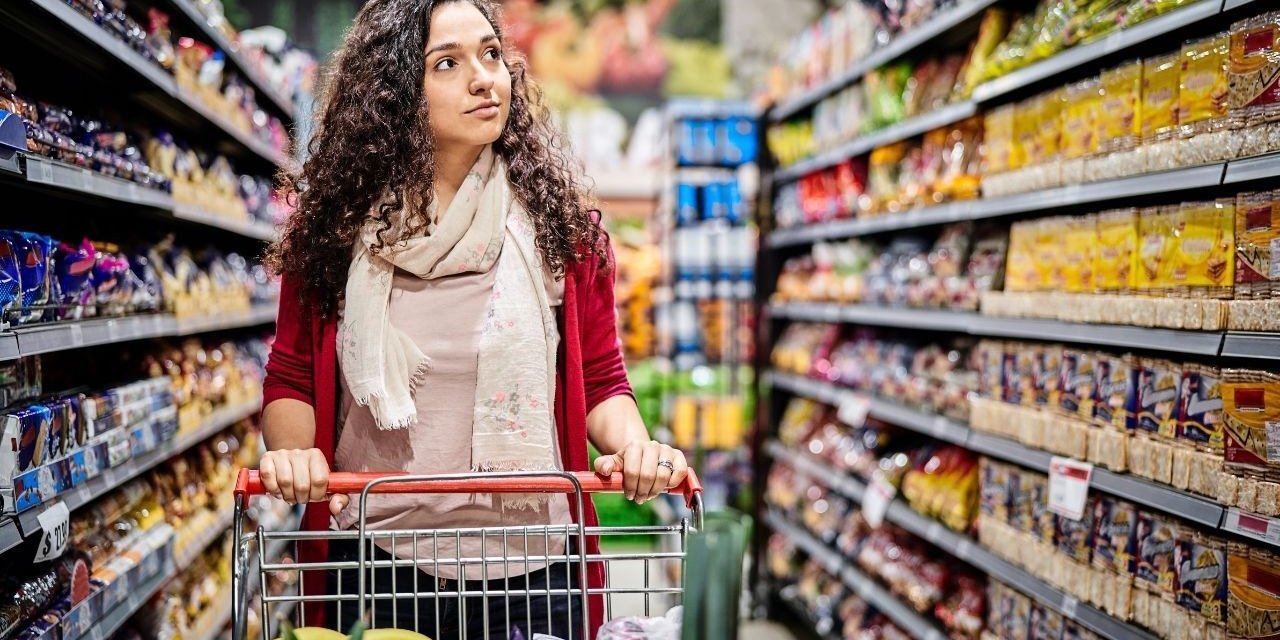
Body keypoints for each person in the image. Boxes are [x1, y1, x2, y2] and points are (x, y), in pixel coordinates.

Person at [256, 0, 689, 637]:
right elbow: (292, 377)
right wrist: (294, 457)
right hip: (380, 564)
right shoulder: (335, 236)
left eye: (491, 54)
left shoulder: (561, 234)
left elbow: (600, 379)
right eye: (448, 63)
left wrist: (637, 446)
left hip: (537, 569)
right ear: (397, 92)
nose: (485, 77)